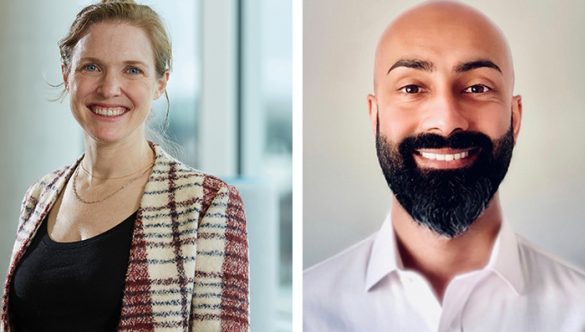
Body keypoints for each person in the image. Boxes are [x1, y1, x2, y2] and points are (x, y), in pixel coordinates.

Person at [304, 1, 585, 331]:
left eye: (477, 88)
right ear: (374, 116)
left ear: (515, 117)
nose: (446, 122)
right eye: (412, 88)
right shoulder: (308, 310)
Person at [1, 1, 249, 331]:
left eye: (132, 69)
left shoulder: (206, 204)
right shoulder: (39, 195)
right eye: (91, 67)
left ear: (160, 83)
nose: (108, 88)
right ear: (66, 76)